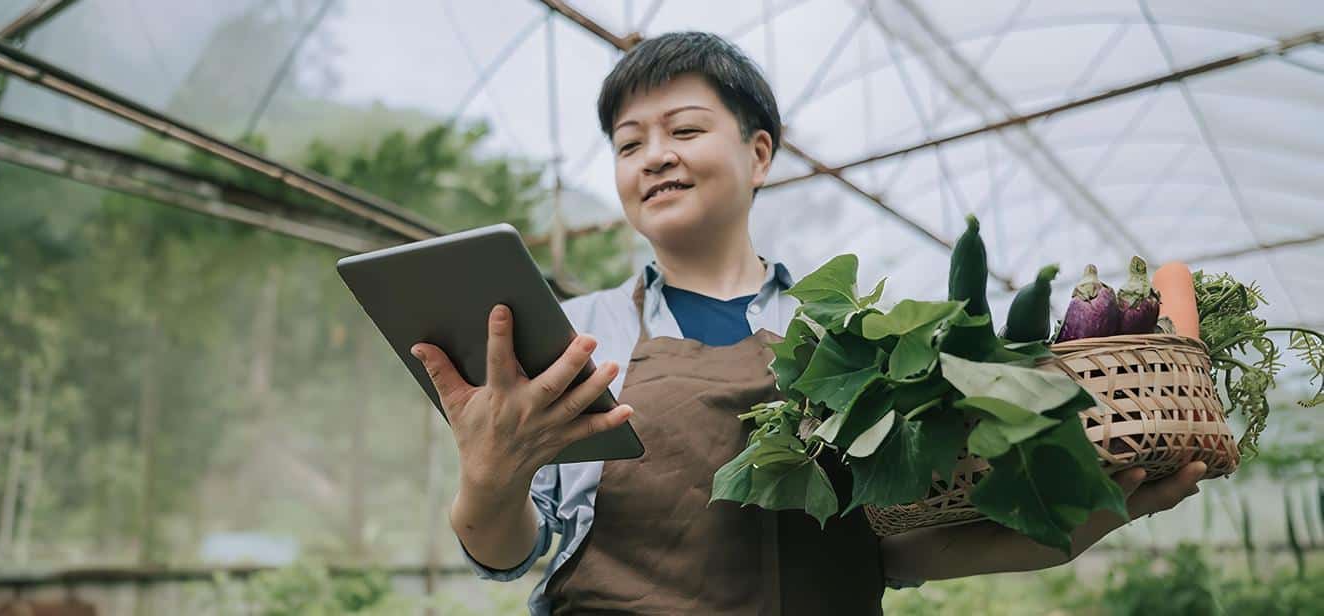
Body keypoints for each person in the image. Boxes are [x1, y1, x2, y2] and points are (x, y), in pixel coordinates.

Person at [410, 31, 1207, 615]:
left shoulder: (857, 340)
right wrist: (490, 475)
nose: (653, 156)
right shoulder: (572, 336)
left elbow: (898, 548)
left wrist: (1091, 521)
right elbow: (513, 554)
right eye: (629, 144)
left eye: (684, 131)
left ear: (759, 155)